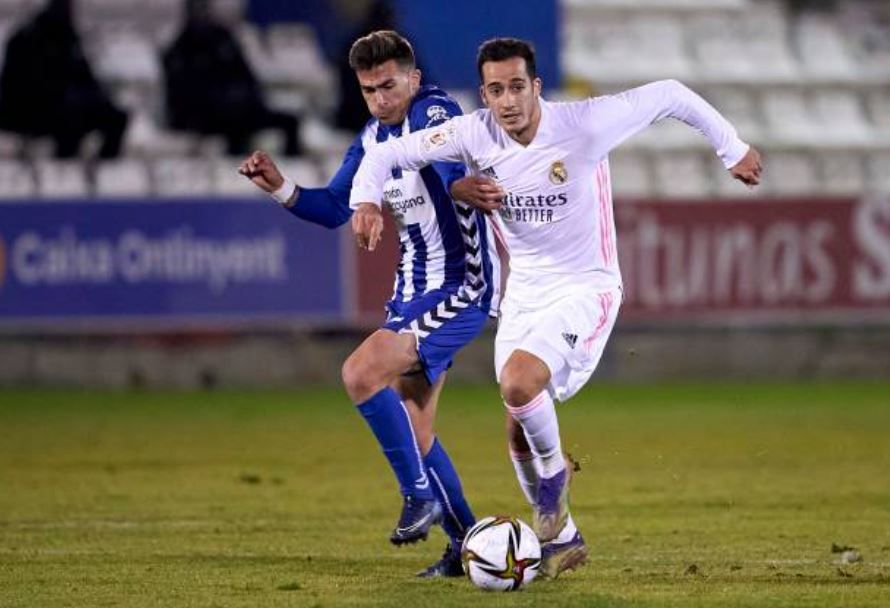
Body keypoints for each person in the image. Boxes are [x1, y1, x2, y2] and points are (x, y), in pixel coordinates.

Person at [348, 37, 763, 579]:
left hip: (586, 287)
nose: (508, 101)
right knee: (517, 424)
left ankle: (551, 488)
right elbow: (384, 153)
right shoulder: (473, 132)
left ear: (535, 86)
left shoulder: (585, 123)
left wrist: (731, 149)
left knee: (520, 384)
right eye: (496, 90)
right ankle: (562, 538)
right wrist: (365, 200)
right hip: (524, 293)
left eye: (518, 86)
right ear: (485, 95)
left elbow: (670, 94)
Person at [239, 30, 502, 578]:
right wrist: (281, 188)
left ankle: (418, 496)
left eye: (388, 85)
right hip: (412, 293)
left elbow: (451, 167)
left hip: (461, 286)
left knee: (360, 373)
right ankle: (465, 545)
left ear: (411, 76)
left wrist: (458, 188)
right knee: (417, 430)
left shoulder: (435, 110)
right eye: (368, 90)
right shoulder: (370, 138)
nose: (381, 99)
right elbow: (336, 206)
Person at [163, 0, 302, 156]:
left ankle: (291, 168)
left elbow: (247, 75)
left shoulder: (224, 37)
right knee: (235, 123)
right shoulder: (181, 47)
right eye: (197, 9)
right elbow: (184, 92)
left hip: (240, 106)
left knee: (290, 121)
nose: (201, 14)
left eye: (204, 8)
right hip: (203, 114)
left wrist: (249, 97)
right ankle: (237, 167)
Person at [0, 0, 128, 158]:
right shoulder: (27, 38)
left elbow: (84, 76)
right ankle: (64, 167)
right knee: (71, 119)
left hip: (66, 105)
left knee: (116, 118)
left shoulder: (68, 38)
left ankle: (105, 167)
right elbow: (21, 86)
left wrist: (98, 97)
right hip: (31, 110)